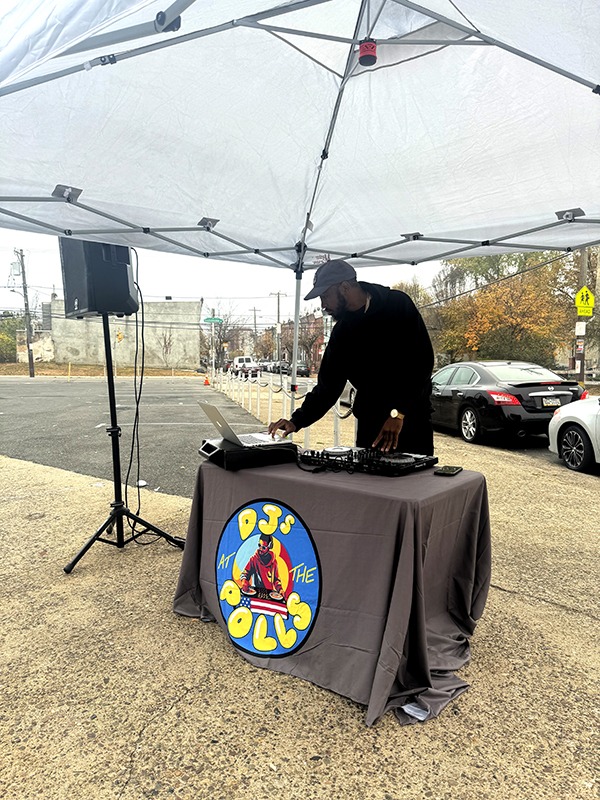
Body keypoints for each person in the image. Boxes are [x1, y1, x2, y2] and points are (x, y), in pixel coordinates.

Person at [267, 259, 434, 454]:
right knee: (368, 483)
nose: (323, 305)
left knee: (417, 483)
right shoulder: (342, 332)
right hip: (371, 428)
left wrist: (398, 413)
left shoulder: (397, 304)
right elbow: (328, 387)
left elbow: (422, 364)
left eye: (325, 296)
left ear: (345, 287)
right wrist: (296, 421)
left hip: (411, 422)